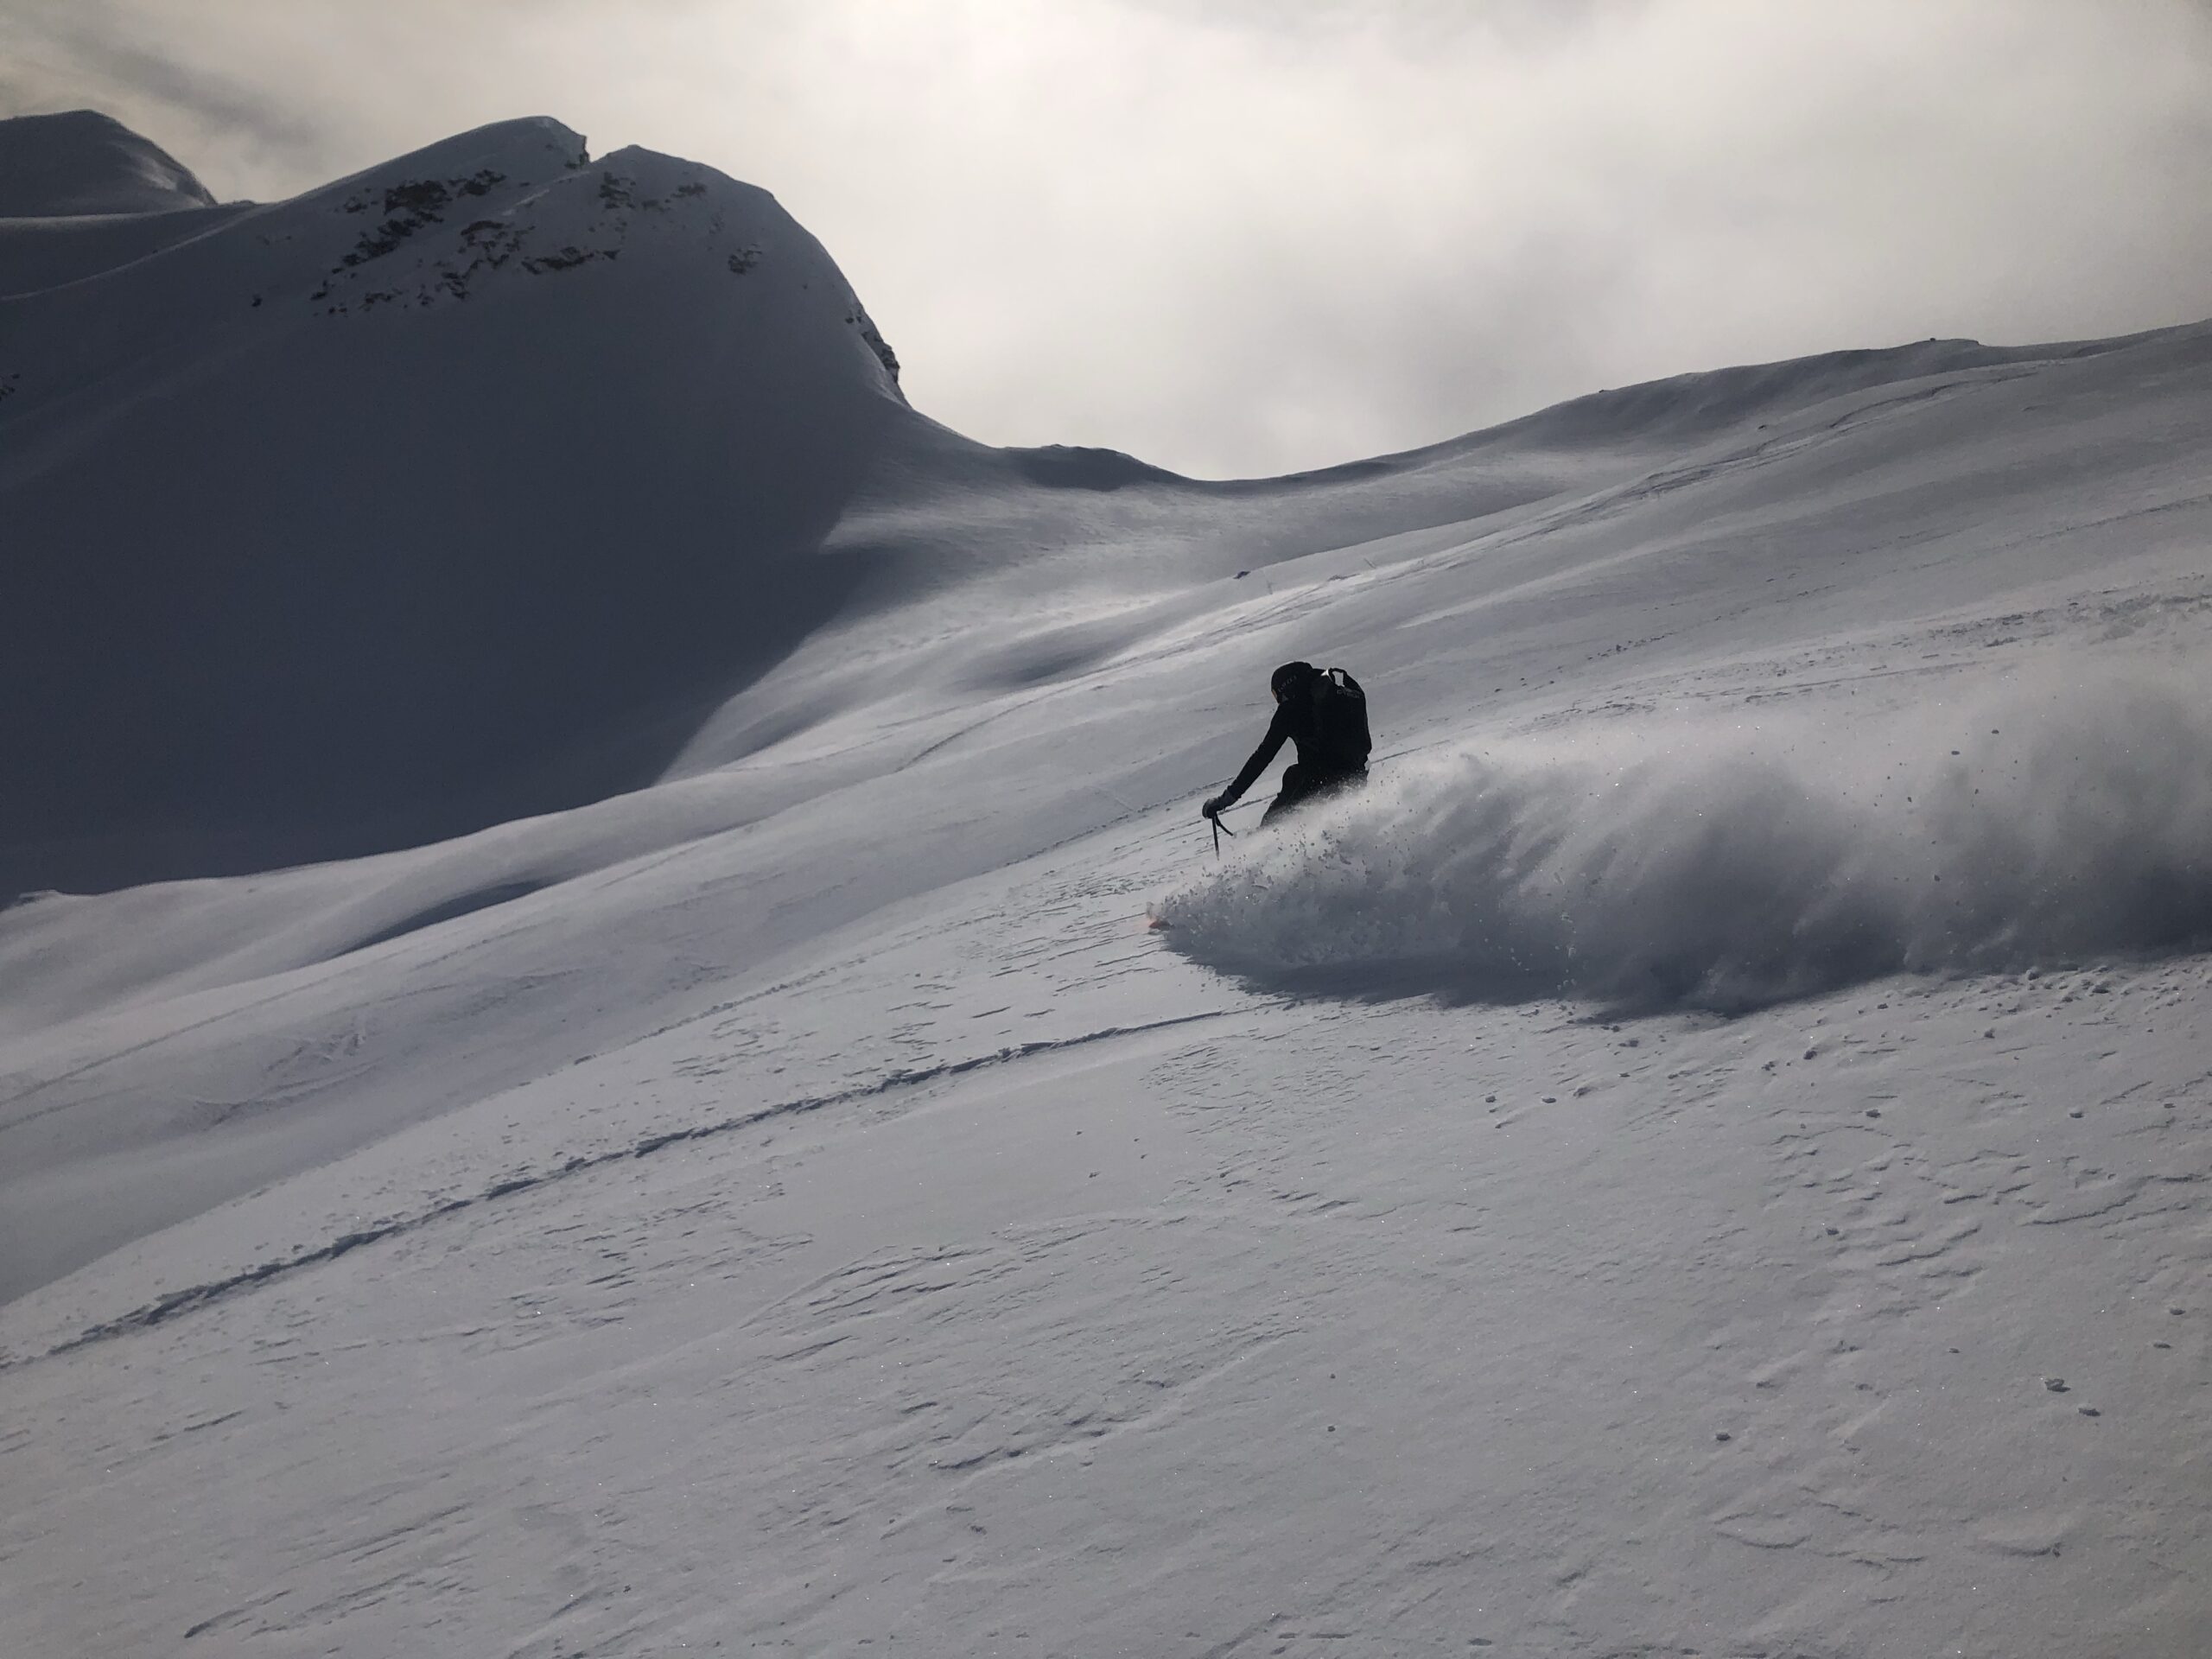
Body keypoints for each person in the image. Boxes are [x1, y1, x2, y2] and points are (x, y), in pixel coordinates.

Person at [1203, 661, 1371, 829]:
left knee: (1276, 819)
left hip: (1318, 780)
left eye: (1277, 694)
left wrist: (1226, 799)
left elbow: (1263, 756)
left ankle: (1267, 848)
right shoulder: (1337, 693)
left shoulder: (1290, 709)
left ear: (1285, 687)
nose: (1279, 700)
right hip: (1357, 775)